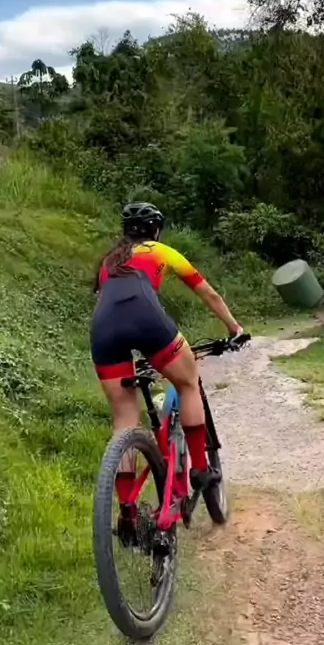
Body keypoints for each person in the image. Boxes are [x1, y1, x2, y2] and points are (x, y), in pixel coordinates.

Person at [90, 201, 243, 499]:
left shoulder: (109, 261)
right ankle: (200, 469)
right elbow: (208, 294)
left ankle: (127, 508)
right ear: (156, 230)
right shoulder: (161, 251)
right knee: (187, 382)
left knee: (124, 417)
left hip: (104, 329)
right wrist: (234, 328)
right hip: (146, 320)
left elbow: (108, 302)